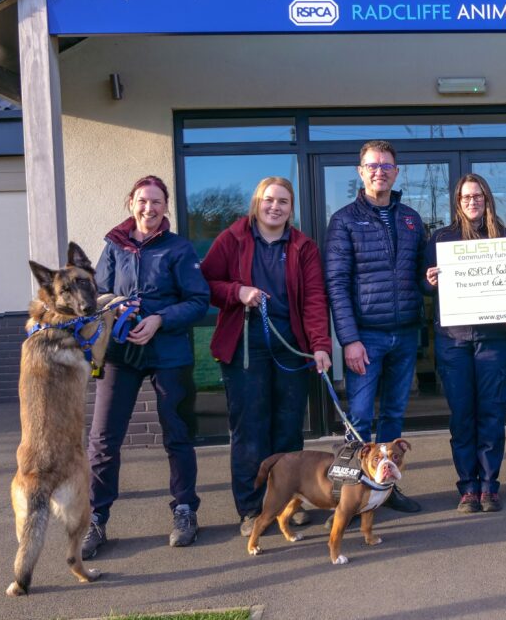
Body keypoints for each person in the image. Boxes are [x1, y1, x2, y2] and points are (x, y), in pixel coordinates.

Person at [83, 175, 210, 559]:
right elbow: (96, 293)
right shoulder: (113, 245)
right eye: (142, 201)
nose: (149, 209)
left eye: (156, 202)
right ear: (130, 203)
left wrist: (159, 319)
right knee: (103, 439)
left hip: (169, 353)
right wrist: (114, 303)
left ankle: (185, 510)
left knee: (177, 434)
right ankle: (95, 518)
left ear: (165, 207)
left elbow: (198, 300)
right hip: (120, 354)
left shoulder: (179, 248)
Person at [201, 176, 333, 537]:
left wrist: (320, 345)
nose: (275, 207)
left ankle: (288, 504)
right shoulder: (232, 238)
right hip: (245, 348)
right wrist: (237, 290)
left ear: (291, 209)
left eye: (283, 202)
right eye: (269, 200)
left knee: (288, 429)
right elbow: (205, 283)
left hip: (291, 346)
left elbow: (315, 300)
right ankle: (250, 508)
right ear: (257, 203)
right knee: (250, 431)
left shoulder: (303, 247)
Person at [324, 140, 427, 513]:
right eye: (372, 165)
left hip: (406, 333)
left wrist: (431, 280)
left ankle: (385, 489)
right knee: (360, 418)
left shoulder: (412, 219)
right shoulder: (345, 220)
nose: (379, 171)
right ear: (360, 171)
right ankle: (350, 495)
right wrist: (349, 339)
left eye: (386, 165)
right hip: (366, 336)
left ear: (396, 172)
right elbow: (336, 284)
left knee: (394, 415)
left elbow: (421, 275)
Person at [423, 174, 506, 514]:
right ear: (458, 202)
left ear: (487, 199)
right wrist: (430, 281)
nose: (472, 202)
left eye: (478, 196)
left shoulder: (505, 238)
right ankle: (468, 487)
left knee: (492, 416)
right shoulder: (441, 238)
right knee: (462, 418)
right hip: (454, 342)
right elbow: (423, 286)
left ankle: (490, 486)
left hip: (494, 341)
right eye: (466, 197)